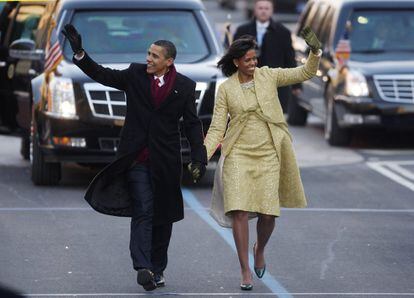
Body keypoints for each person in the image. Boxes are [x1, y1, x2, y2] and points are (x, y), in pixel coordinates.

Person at [61, 24, 206, 291]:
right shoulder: (135, 74)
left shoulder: (185, 86)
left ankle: (157, 268)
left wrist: (199, 157)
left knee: (163, 217)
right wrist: (80, 52)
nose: (148, 59)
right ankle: (143, 267)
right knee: (143, 209)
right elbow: (102, 75)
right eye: (148, 53)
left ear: (168, 61)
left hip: (167, 162)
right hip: (136, 159)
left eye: (154, 56)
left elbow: (192, 124)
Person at [204, 27, 321, 290]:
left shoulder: (268, 75)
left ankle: (260, 249)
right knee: (240, 212)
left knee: (269, 214)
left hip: (268, 151)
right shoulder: (225, 89)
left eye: (255, 58)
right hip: (238, 154)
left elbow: (305, 72)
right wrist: (202, 155)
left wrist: (315, 52)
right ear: (236, 62)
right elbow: (216, 128)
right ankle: (244, 269)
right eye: (248, 60)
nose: (254, 63)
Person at [234, 0, 301, 113]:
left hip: (275, 86)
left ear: (272, 10)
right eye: (260, 8)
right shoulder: (242, 31)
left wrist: (296, 85)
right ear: (255, 10)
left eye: (266, 8)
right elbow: (234, 56)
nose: (263, 11)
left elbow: (289, 58)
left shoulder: (283, 32)